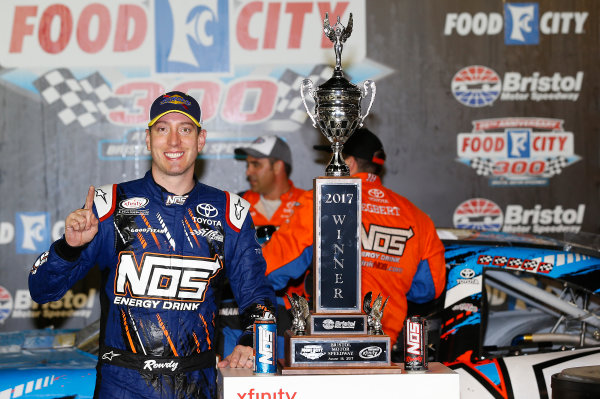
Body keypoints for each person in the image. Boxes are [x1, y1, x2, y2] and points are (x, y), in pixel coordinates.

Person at [28, 91, 276, 399]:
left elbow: (259, 298)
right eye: (162, 129)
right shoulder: (109, 205)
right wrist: (69, 247)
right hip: (122, 385)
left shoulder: (230, 212)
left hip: (196, 385)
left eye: (185, 129)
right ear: (148, 139)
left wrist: (251, 343)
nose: (173, 141)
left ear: (200, 140)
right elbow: (41, 290)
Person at [261, 127, 446, 354]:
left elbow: (272, 270)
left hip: (323, 346)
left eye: (332, 159)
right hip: (382, 346)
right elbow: (429, 289)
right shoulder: (418, 218)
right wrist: (386, 273)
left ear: (348, 163)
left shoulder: (321, 200)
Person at [216, 136, 306, 359]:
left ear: (278, 166)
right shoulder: (236, 205)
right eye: (247, 165)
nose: (248, 172)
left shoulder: (306, 205)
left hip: (292, 312)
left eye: (256, 164)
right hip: (240, 308)